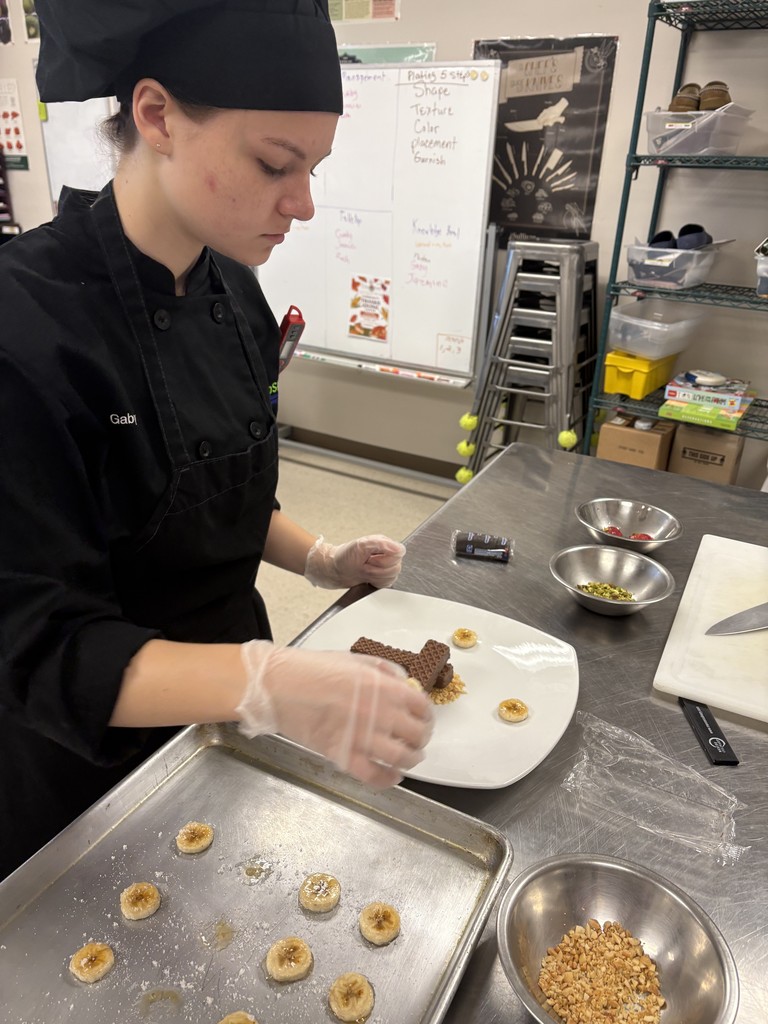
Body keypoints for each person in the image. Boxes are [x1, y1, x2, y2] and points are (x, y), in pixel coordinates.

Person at [0, 0, 432, 881]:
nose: (303, 204)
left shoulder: (232, 286)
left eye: (313, 167)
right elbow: (41, 651)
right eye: (277, 164)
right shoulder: (25, 331)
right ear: (155, 116)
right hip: (89, 777)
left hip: (234, 726)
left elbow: (205, 486)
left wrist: (318, 558)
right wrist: (266, 682)